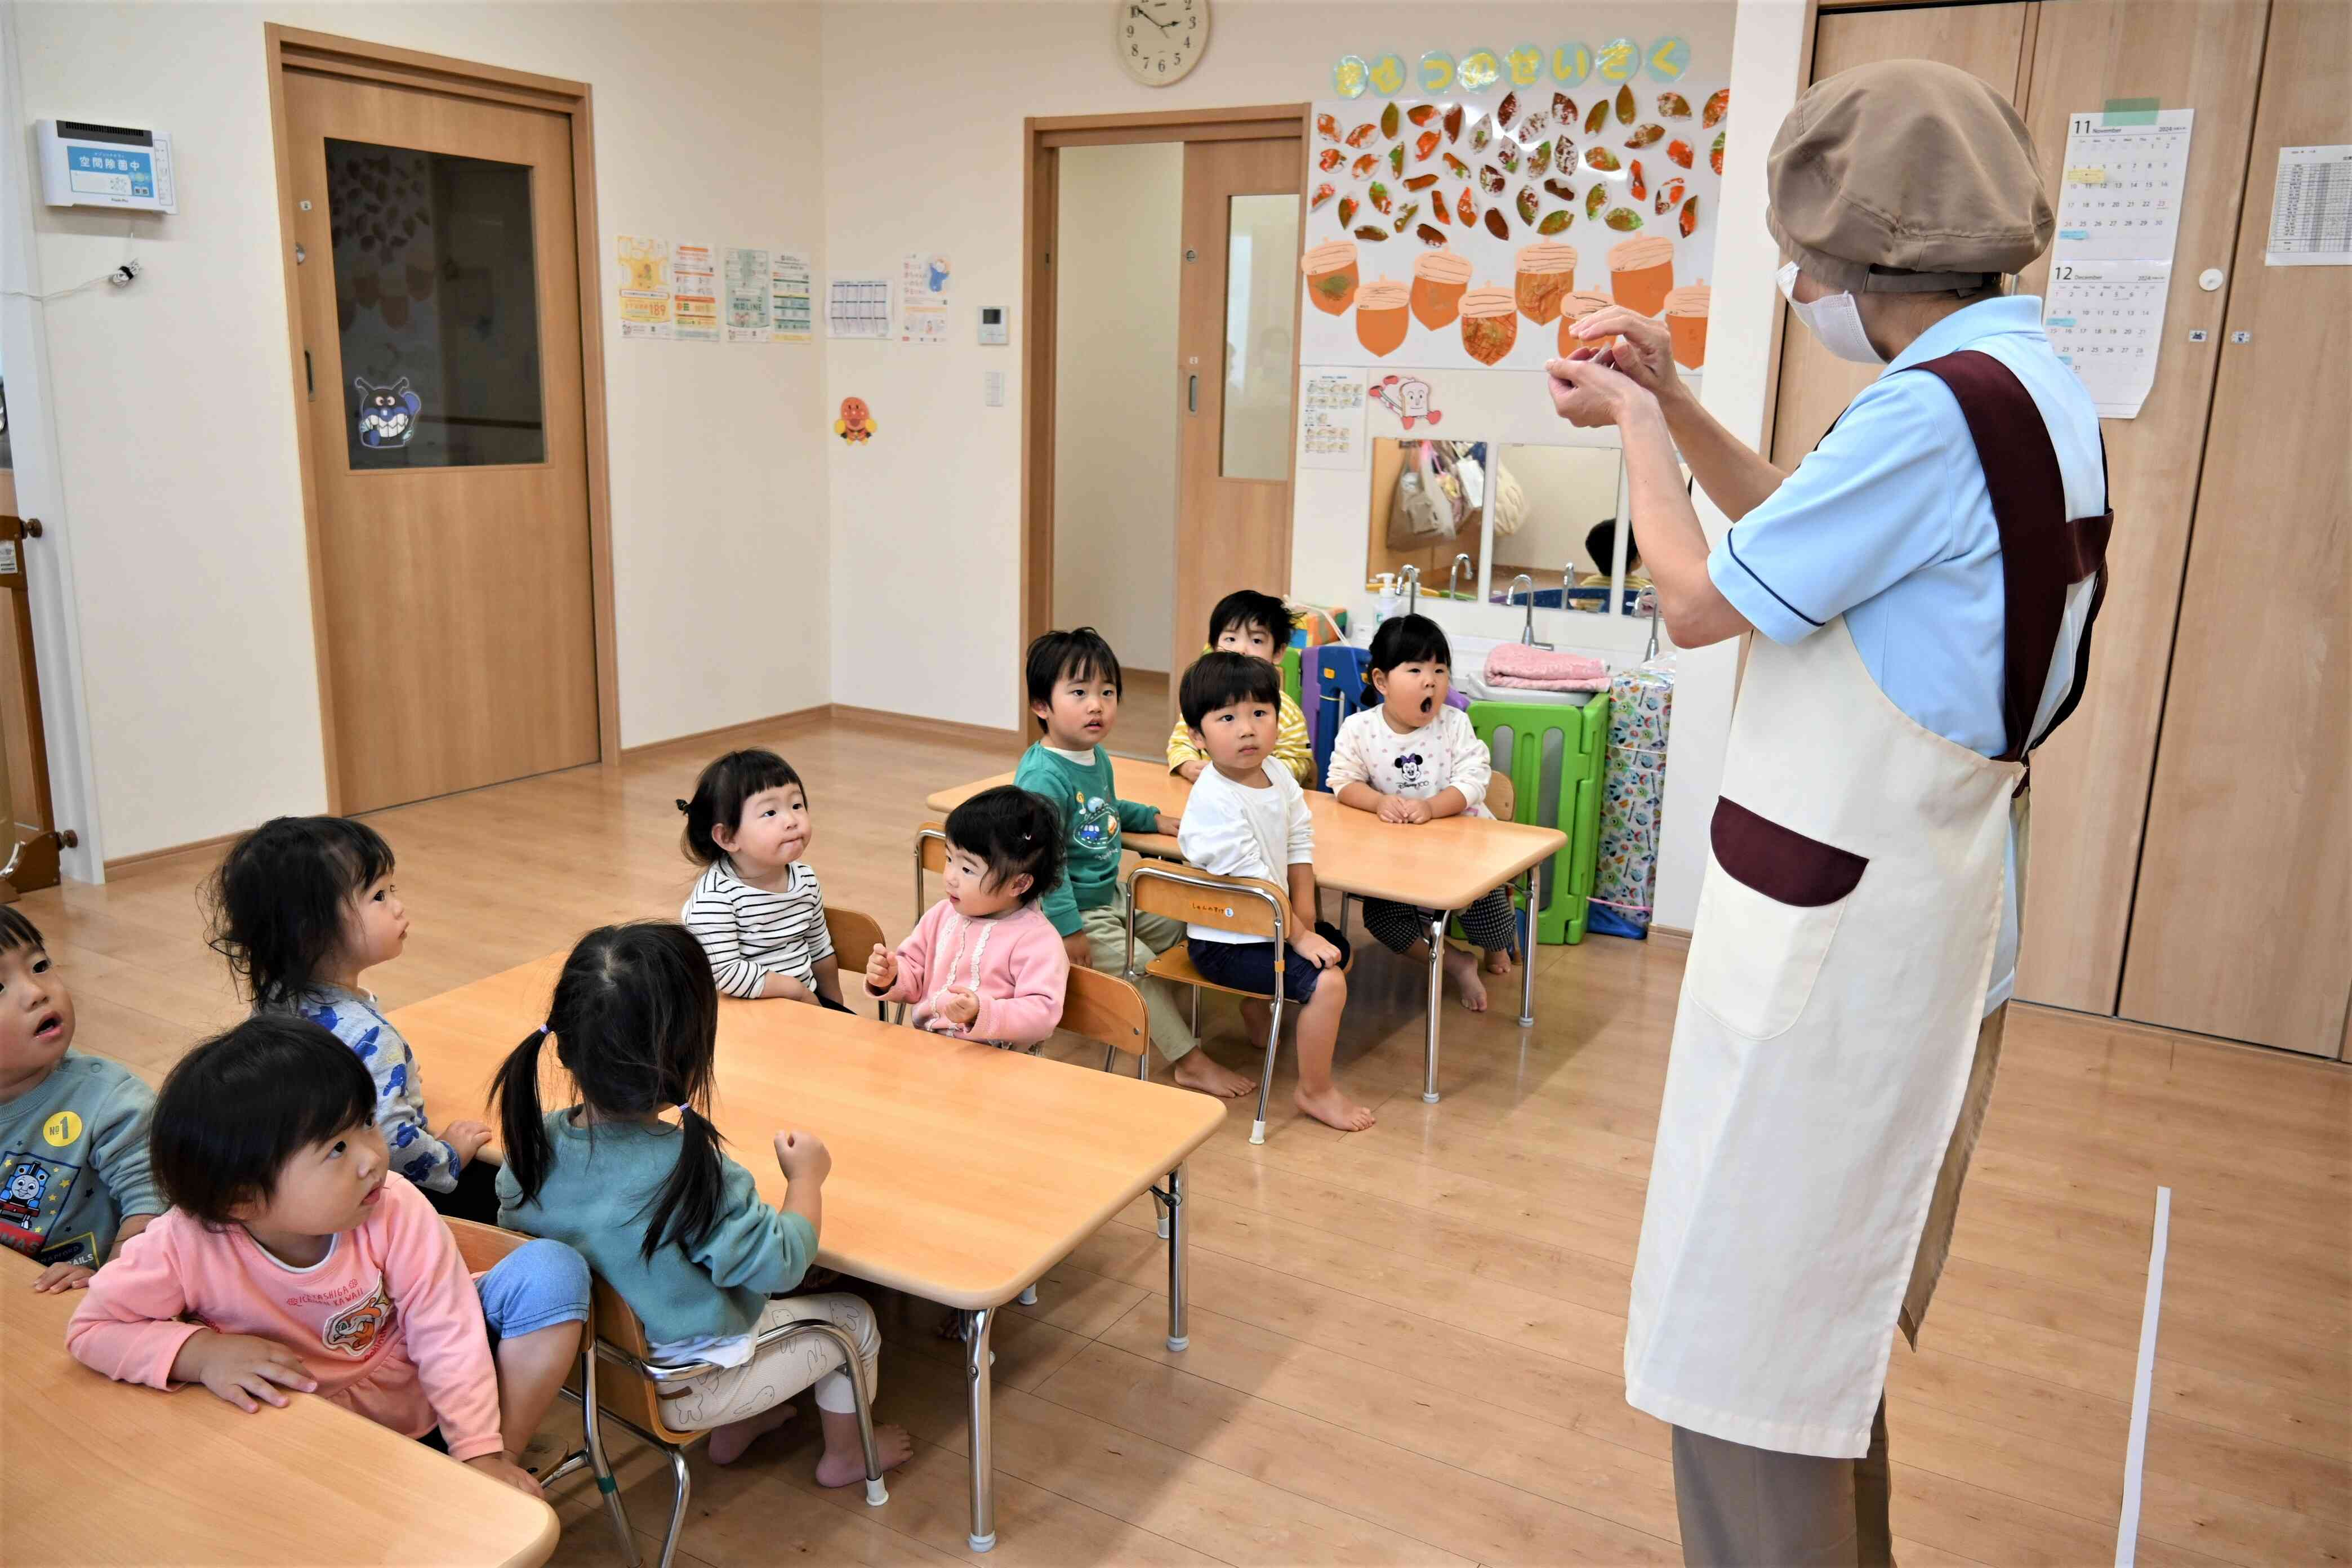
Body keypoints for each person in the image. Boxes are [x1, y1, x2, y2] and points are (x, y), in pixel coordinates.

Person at [1545, 59, 2109, 1565]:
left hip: (1843, 944)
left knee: (1756, 1342)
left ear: (1879, 261)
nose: (1795, 284)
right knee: (1803, 1334)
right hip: (1898, 898)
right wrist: (1672, 395)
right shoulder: (2014, 383)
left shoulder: (1933, 415)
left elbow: (1692, 596)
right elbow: (1805, 514)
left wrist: (1637, 437)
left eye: (1804, 264)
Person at [67, 1016, 586, 1496]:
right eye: (336, 1149)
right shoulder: (183, 1243)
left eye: (365, 1122)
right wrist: (201, 1355)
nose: (371, 1158)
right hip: (300, 1449)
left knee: (551, 1272)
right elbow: (93, 1328)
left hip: (423, 1412)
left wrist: (480, 1453)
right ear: (241, 1198)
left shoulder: (394, 1204)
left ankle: (492, 1468)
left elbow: (445, 1329)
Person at [492, 922, 912, 1482]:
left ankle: (742, 1427)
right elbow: (783, 1264)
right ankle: (846, 1455)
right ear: (690, 1058)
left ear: (565, 1049)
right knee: (855, 1319)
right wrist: (805, 1179)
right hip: (690, 1386)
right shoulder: (693, 1173)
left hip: (592, 1370)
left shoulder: (532, 1143)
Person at [207, 816, 498, 1222]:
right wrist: (449, 1156)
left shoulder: (274, 1001)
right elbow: (394, 1141)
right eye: (379, 896)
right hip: (378, 1198)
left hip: (307, 1186)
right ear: (314, 930)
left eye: (391, 889)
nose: (398, 906)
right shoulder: (369, 1037)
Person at [1015, 627, 1256, 1099]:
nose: (1097, 706)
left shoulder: (1094, 755)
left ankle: (1240, 1007)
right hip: (1070, 910)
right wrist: (1068, 928)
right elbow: (1047, 860)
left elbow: (1103, 806)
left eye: (1107, 693)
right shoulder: (1043, 776)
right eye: (1080, 693)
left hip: (1111, 895)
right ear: (1041, 706)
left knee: (1193, 924)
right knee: (1139, 966)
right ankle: (1189, 1061)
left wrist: (1150, 819)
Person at [1174, 653, 1369, 1135]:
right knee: (1329, 982)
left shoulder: (1279, 774)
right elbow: (1255, 884)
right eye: (1227, 718)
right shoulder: (1215, 799)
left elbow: (1299, 845)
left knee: (1339, 951)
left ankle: (1257, 1006)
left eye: (1260, 714)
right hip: (1226, 941)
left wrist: (1302, 919)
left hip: (1271, 921)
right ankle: (1314, 1090)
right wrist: (1299, 937)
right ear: (1197, 738)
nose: (1247, 729)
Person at [1325, 614, 1518, 1012]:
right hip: (1394, 861)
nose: (1430, 680)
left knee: (1491, 910)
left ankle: (1497, 946)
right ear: (1381, 682)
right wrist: (1378, 802)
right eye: (1415, 669)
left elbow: (1474, 780)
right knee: (1381, 919)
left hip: (1463, 852)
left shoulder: (1454, 725)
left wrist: (1432, 807)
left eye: (1440, 669)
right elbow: (1342, 782)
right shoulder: (1359, 730)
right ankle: (1454, 962)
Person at [0, 908, 160, 1290]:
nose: (37, 992)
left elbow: (155, 1206)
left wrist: (113, 1280)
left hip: (94, 1294)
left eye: (39, 966)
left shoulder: (111, 1101)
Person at [864, 785, 1070, 1050]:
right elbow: (913, 972)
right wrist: (892, 977)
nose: (950, 875)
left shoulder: (1038, 940)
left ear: (1019, 885)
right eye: (949, 858)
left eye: (967, 869)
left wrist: (981, 1013)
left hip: (998, 1062)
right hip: (929, 1048)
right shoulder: (942, 915)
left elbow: (1042, 1014)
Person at [678, 749, 852, 1012]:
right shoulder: (715, 898)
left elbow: (820, 947)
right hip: (749, 1020)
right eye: (770, 813)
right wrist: (797, 992)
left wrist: (835, 1004)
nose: (792, 821)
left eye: (796, 805)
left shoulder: (805, 878)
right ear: (728, 838)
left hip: (807, 1008)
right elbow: (726, 972)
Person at [1165, 589, 1315, 786]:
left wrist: (1260, 777)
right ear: (1213, 647)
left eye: (1256, 641)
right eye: (1230, 639)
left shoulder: (1285, 710)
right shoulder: (1203, 698)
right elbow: (1181, 742)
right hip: (1209, 795)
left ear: (1278, 652)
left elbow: (1298, 762)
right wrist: (1187, 765)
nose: (1241, 649)